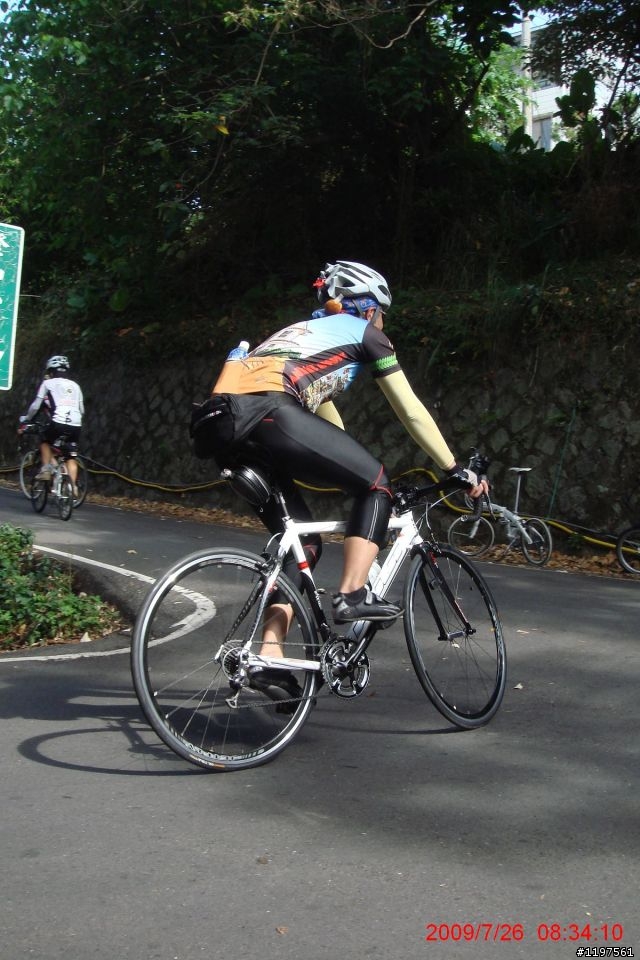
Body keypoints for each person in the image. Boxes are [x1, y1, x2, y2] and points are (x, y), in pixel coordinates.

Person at [202, 261, 487, 696]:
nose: (382, 322)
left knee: (303, 545)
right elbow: (410, 410)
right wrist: (453, 468)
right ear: (368, 308)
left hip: (219, 424)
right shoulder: (365, 333)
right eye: (382, 313)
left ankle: (269, 658)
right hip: (269, 412)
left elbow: (329, 432)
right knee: (376, 484)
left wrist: (353, 471)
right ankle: (353, 594)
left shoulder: (298, 337)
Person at [21, 355, 84, 495]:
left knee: (45, 441)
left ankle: (46, 470)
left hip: (58, 421)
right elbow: (82, 410)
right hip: (76, 424)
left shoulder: (48, 383)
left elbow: (36, 406)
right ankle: (72, 488)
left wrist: (27, 419)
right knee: (70, 457)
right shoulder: (76, 386)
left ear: (50, 371)